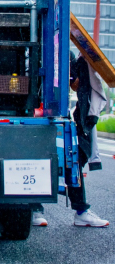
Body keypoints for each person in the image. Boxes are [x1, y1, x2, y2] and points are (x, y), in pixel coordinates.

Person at [33, 51, 109, 228]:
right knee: (45, 160)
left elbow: (75, 84)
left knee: (72, 160)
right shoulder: (39, 51)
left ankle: (79, 211)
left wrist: (73, 74)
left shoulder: (63, 52)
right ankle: (36, 208)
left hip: (55, 116)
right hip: (39, 115)